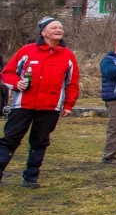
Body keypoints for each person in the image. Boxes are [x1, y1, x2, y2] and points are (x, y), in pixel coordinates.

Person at [0, 17, 80, 188]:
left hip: (50, 107)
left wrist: (68, 105)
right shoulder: (26, 51)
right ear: (43, 32)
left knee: (40, 141)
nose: (59, 30)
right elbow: (7, 73)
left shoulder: (68, 55)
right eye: (54, 28)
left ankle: (31, 177)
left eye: (60, 28)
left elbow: (72, 83)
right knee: (10, 139)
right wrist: (17, 83)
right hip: (23, 105)